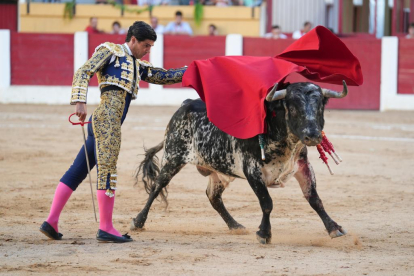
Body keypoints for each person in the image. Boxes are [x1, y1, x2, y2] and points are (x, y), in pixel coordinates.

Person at [39, 21, 187, 243]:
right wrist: (80, 101)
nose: (148, 51)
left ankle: (51, 222)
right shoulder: (110, 51)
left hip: (102, 123)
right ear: (133, 40)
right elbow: (84, 71)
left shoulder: (137, 65)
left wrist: (192, 72)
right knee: (107, 170)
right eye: (146, 45)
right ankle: (106, 227)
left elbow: (162, 76)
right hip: (107, 122)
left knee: (77, 171)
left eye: (151, 47)